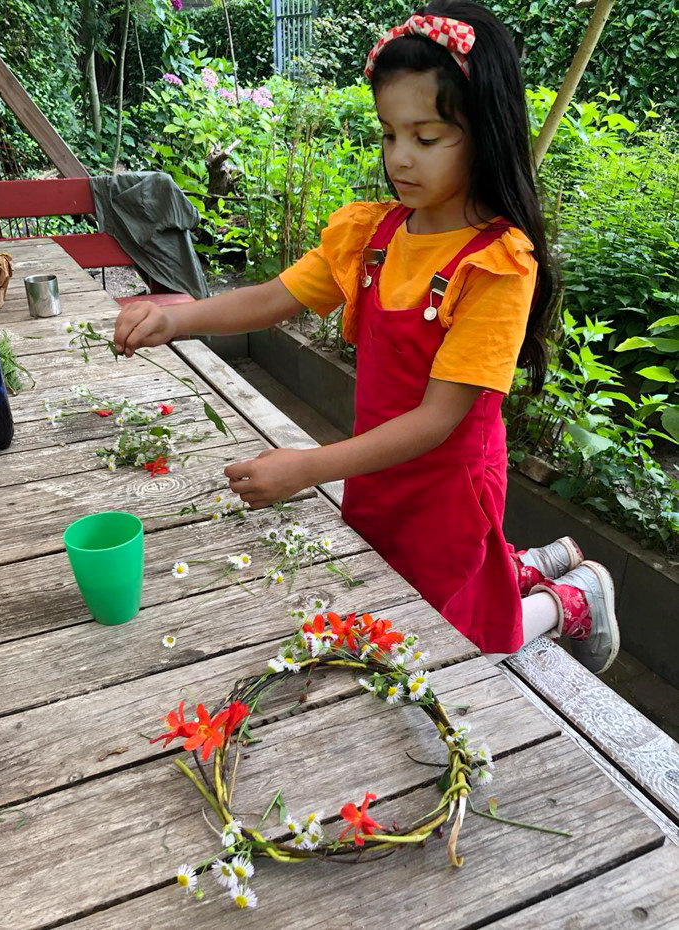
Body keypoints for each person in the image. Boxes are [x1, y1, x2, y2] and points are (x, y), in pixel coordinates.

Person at [113, 0, 619, 674]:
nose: (400, 158)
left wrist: (308, 468)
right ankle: (526, 564)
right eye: (388, 134)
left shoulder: (496, 265)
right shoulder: (372, 236)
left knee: (457, 638)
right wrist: (176, 317)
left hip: (445, 488)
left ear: (486, 132)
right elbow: (273, 299)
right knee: (391, 599)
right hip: (373, 472)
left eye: (427, 137)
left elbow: (439, 421)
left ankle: (575, 599)